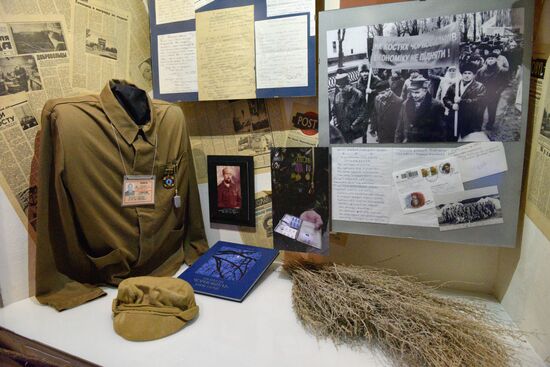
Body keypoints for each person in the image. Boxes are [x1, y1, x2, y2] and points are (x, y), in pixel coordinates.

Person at [443, 63, 486, 141]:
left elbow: (480, 101)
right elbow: (446, 98)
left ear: (473, 75)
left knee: (467, 140)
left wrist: (462, 101)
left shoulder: (479, 87)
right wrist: (452, 105)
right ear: (461, 74)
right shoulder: (454, 86)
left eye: (469, 73)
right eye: (465, 73)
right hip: (454, 117)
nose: (467, 75)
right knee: (452, 138)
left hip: (470, 119)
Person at [394, 77, 446, 143]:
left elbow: (441, 133)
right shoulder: (405, 104)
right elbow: (399, 129)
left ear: (425, 90)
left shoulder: (436, 106)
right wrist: (397, 144)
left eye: (417, 92)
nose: (414, 95)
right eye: (412, 92)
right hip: (408, 145)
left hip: (426, 146)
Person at [476, 52, 508, 130]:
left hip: (494, 95)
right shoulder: (481, 71)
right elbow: (476, 82)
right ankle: (478, 126)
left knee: (492, 110)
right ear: (486, 60)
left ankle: (490, 125)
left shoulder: (501, 71)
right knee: (480, 111)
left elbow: (505, 83)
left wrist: (497, 92)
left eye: (492, 59)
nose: (490, 60)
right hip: (482, 94)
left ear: (496, 60)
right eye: (489, 59)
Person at [332, 72, 365, 143]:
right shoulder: (338, 96)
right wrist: (335, 121)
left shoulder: (357, 94)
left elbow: (363, 113)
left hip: (355, 131)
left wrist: (354, 125)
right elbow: (334, 111)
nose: (341, 89)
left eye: (343, 87)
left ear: (349, 84)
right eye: (339, 87)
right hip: (342, 129)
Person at [355, 63, 383, 137]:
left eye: (366, 72)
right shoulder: (359, 82)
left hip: (375, 105)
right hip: (365, 106)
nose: (365, 74)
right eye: (362, 72)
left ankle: (379, 136)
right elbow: (357, 94)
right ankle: (365, 140)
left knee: (378, 122)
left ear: (369, 72)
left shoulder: (376, 79)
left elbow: (382, 90)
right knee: (364, 126)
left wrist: (372, 91)